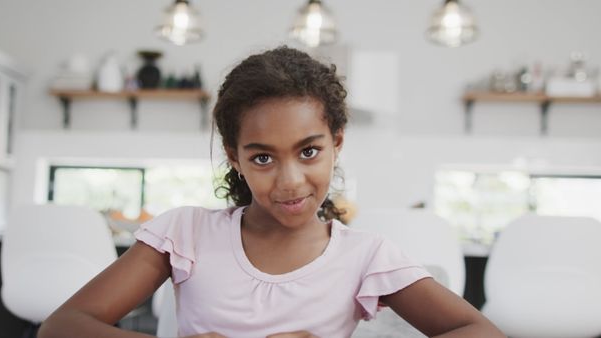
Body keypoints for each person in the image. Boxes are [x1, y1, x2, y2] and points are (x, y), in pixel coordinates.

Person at [38, 46, 504, 338]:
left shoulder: (368, 256)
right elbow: (61, 326)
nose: (290, 181)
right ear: (234, 157)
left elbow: (479, 330)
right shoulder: (184, 233)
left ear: (336, 143)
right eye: (262, 157)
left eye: (308, 152)